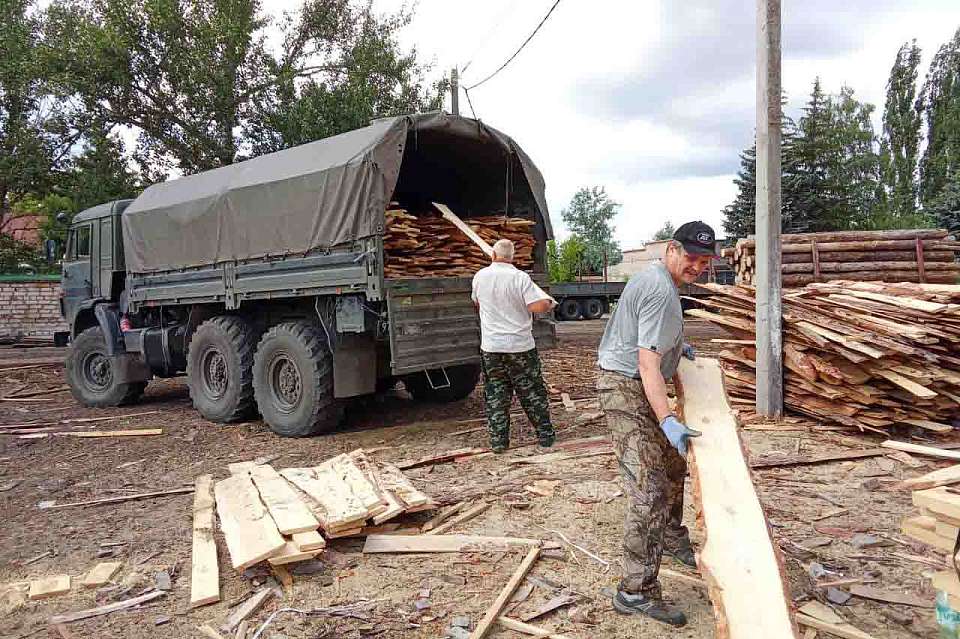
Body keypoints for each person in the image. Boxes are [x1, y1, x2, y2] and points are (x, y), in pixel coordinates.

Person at [596, 221, 716, 627]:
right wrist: (666, 418)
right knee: (647, 490)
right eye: (691, 257)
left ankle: (668, 536)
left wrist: (676, 345)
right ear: (671, 249)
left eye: (704, 261)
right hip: (625, 385)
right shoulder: (662, 290)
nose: (697, 266)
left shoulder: (654, 276)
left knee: (673, 463)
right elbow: (647, 364)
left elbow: (644, 333)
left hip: (635, 379)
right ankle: (634, 591)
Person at [472, 238, 556, 453]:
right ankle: (545, 437)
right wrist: (547, 303)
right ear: (513, 257)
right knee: (532, 393)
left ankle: (499, 443)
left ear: (493, 255)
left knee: (496, 394)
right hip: (520, 347)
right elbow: (537, 306)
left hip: (491, 347)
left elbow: (478, 303)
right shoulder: (520, 278)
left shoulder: (480, 277)